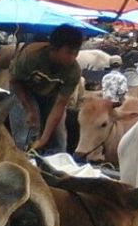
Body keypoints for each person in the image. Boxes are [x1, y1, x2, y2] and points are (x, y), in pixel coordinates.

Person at [8, 24, 83, 154]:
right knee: (27, 130)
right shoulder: (31, 56)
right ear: (54, 49)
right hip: (23, 91)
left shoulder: (73, 71)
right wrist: (29, 109)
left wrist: (44, 139)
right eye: (69, 53)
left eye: (76, 53)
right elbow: (14, 82)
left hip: (51, 95)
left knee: (58, 138)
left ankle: (56, 166)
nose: (73, 57)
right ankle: (23, 157)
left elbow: (60, 105)